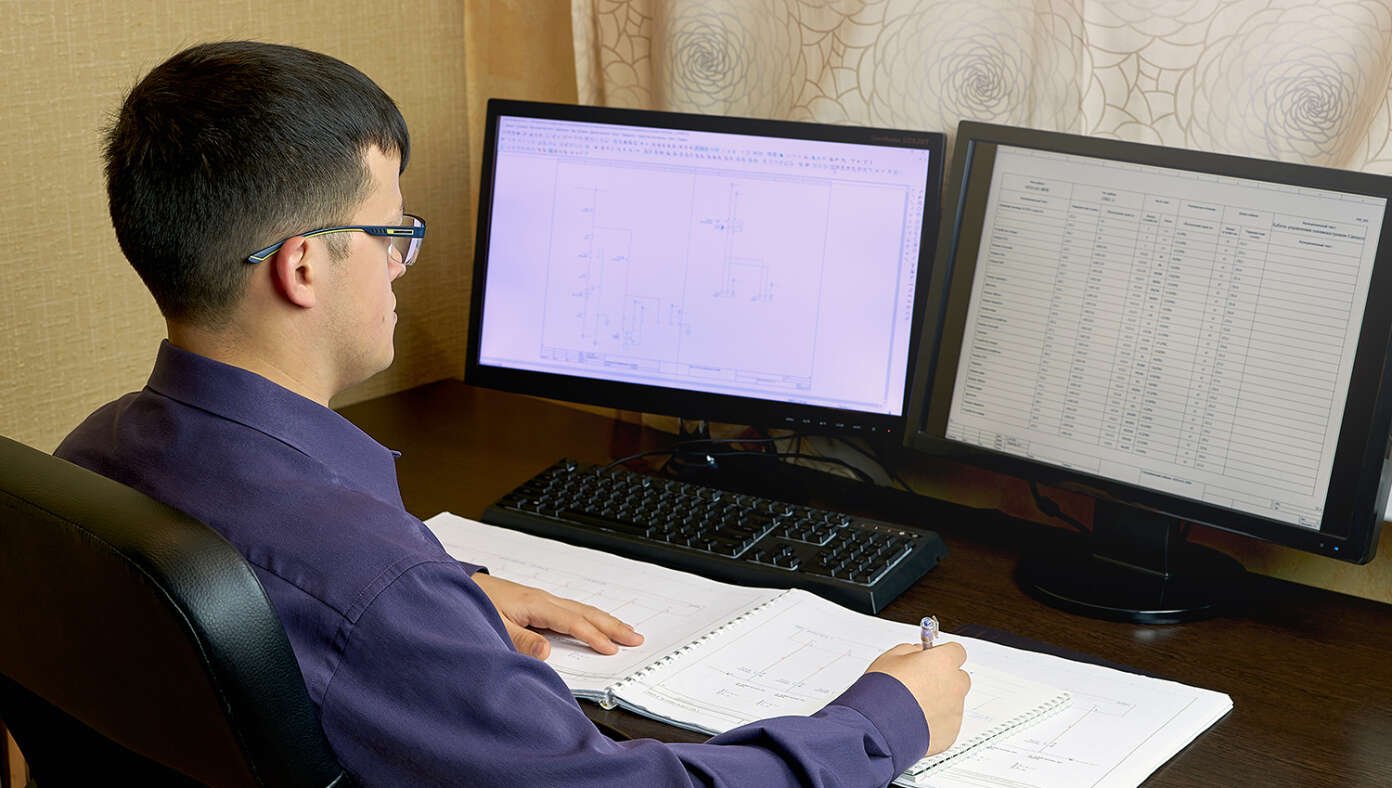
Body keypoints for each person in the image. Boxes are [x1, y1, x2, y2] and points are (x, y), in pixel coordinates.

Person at [56, 41, 970, 787]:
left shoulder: (86, 461)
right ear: (303, 268)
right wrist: (883, 723)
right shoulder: (374, 586)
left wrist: (445, 602)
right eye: (394, 233)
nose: (403, 264)